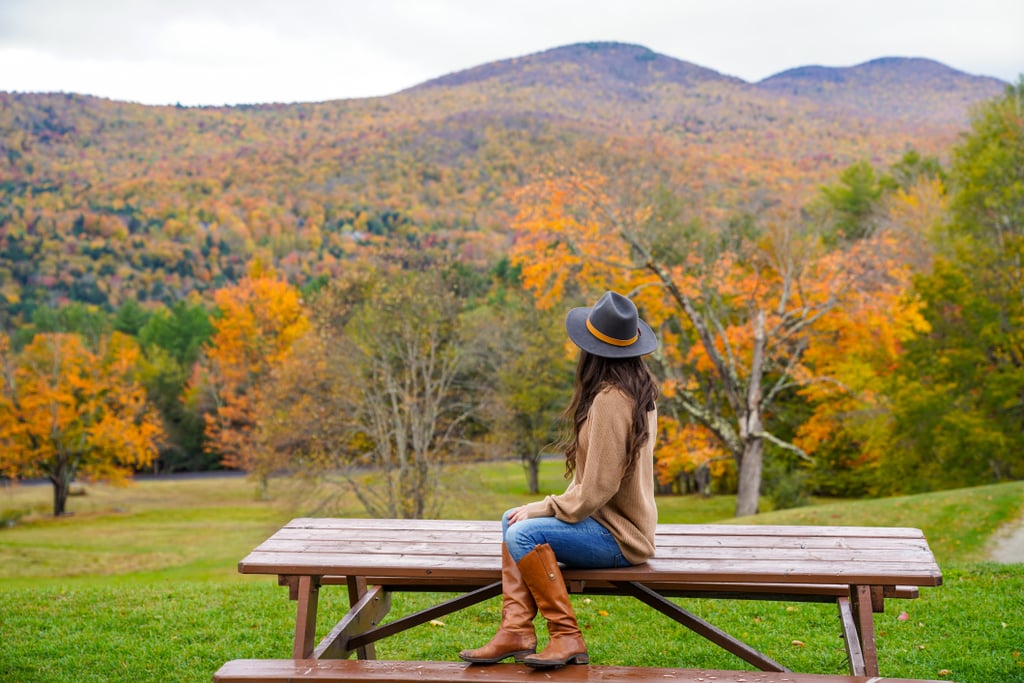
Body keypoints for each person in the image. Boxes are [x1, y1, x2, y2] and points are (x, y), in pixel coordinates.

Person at [459, 290, 659, 669]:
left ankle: (566, 636)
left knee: (522, 532)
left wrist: (546, 506)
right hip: (611, 524)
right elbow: (595, 479)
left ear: (592, 351)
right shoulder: (637, 391)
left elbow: (598, 488)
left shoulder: (611, 400)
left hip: (620, 537)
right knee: (511, 518)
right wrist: (541, 507)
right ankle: (516, 629)